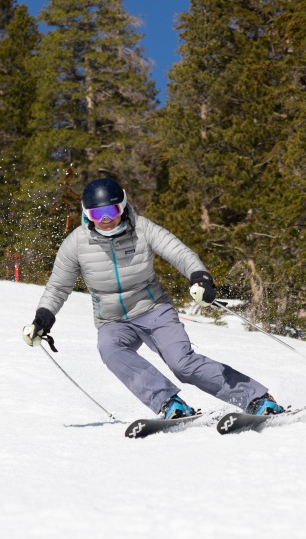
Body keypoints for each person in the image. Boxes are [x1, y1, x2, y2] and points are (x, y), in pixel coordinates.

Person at [22, 177, 284, 419]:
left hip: (154, 310)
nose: (104, 220)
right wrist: (43, 318)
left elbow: (180, 253)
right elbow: (58, 287)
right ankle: (170, 403)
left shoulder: (142, 229)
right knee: (110, 349)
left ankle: (257, 398)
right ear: (86, 214)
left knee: (182, 364)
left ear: (122, 207)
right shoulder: (76, 244)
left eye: (110, 212)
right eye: (96, 214)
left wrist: (200, 277)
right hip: (113, 321)